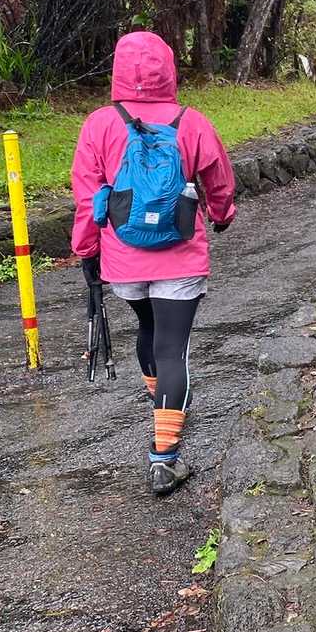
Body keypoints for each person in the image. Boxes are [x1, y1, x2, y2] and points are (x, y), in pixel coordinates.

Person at [70, 31, 236, 496]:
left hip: (124, 258)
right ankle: (164, 459)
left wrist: (86, 250)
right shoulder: (191, 122)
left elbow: (87, 197)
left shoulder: (100, 124)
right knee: (172, 350)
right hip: (180, 255)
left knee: (148, 330)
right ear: (169, 69)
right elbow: (219, 181)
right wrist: (221, 215)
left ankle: (165, 405)